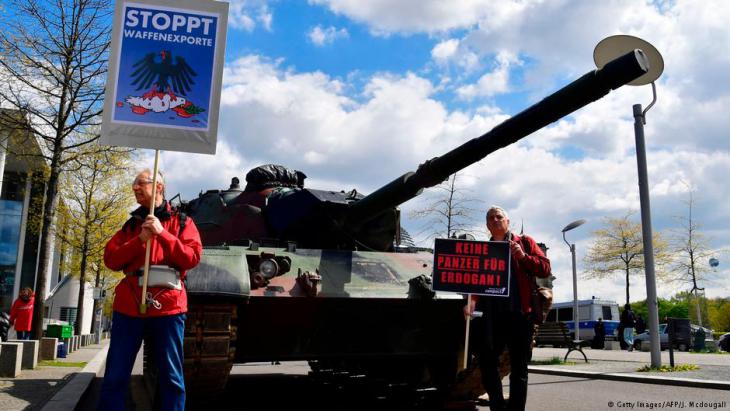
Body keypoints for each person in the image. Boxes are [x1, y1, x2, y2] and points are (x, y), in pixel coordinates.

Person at [98, 169, 202, 411]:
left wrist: (162, 234)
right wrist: (140, 240)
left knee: (172, 378)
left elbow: (191, 257)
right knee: (115, 375)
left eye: (139, 183)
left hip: (169, 308)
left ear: (158, 187)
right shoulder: (131, 225)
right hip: (129, 307)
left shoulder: (183, 222)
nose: (134, 188)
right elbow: (111, 260)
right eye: (133, 184)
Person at [464, 206, 551, 411]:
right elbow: (477, 281)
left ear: (507, 222)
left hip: (520, 315)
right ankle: (497, 405)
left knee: (519, 367)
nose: (495, 220)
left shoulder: (525, 242)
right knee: (487, 362)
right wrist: (472, 301)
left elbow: (545, 268)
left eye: (499, 217)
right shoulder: (485, 250)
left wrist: (523, 257)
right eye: (491, 218)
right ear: (487, 225)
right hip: (492, 317)